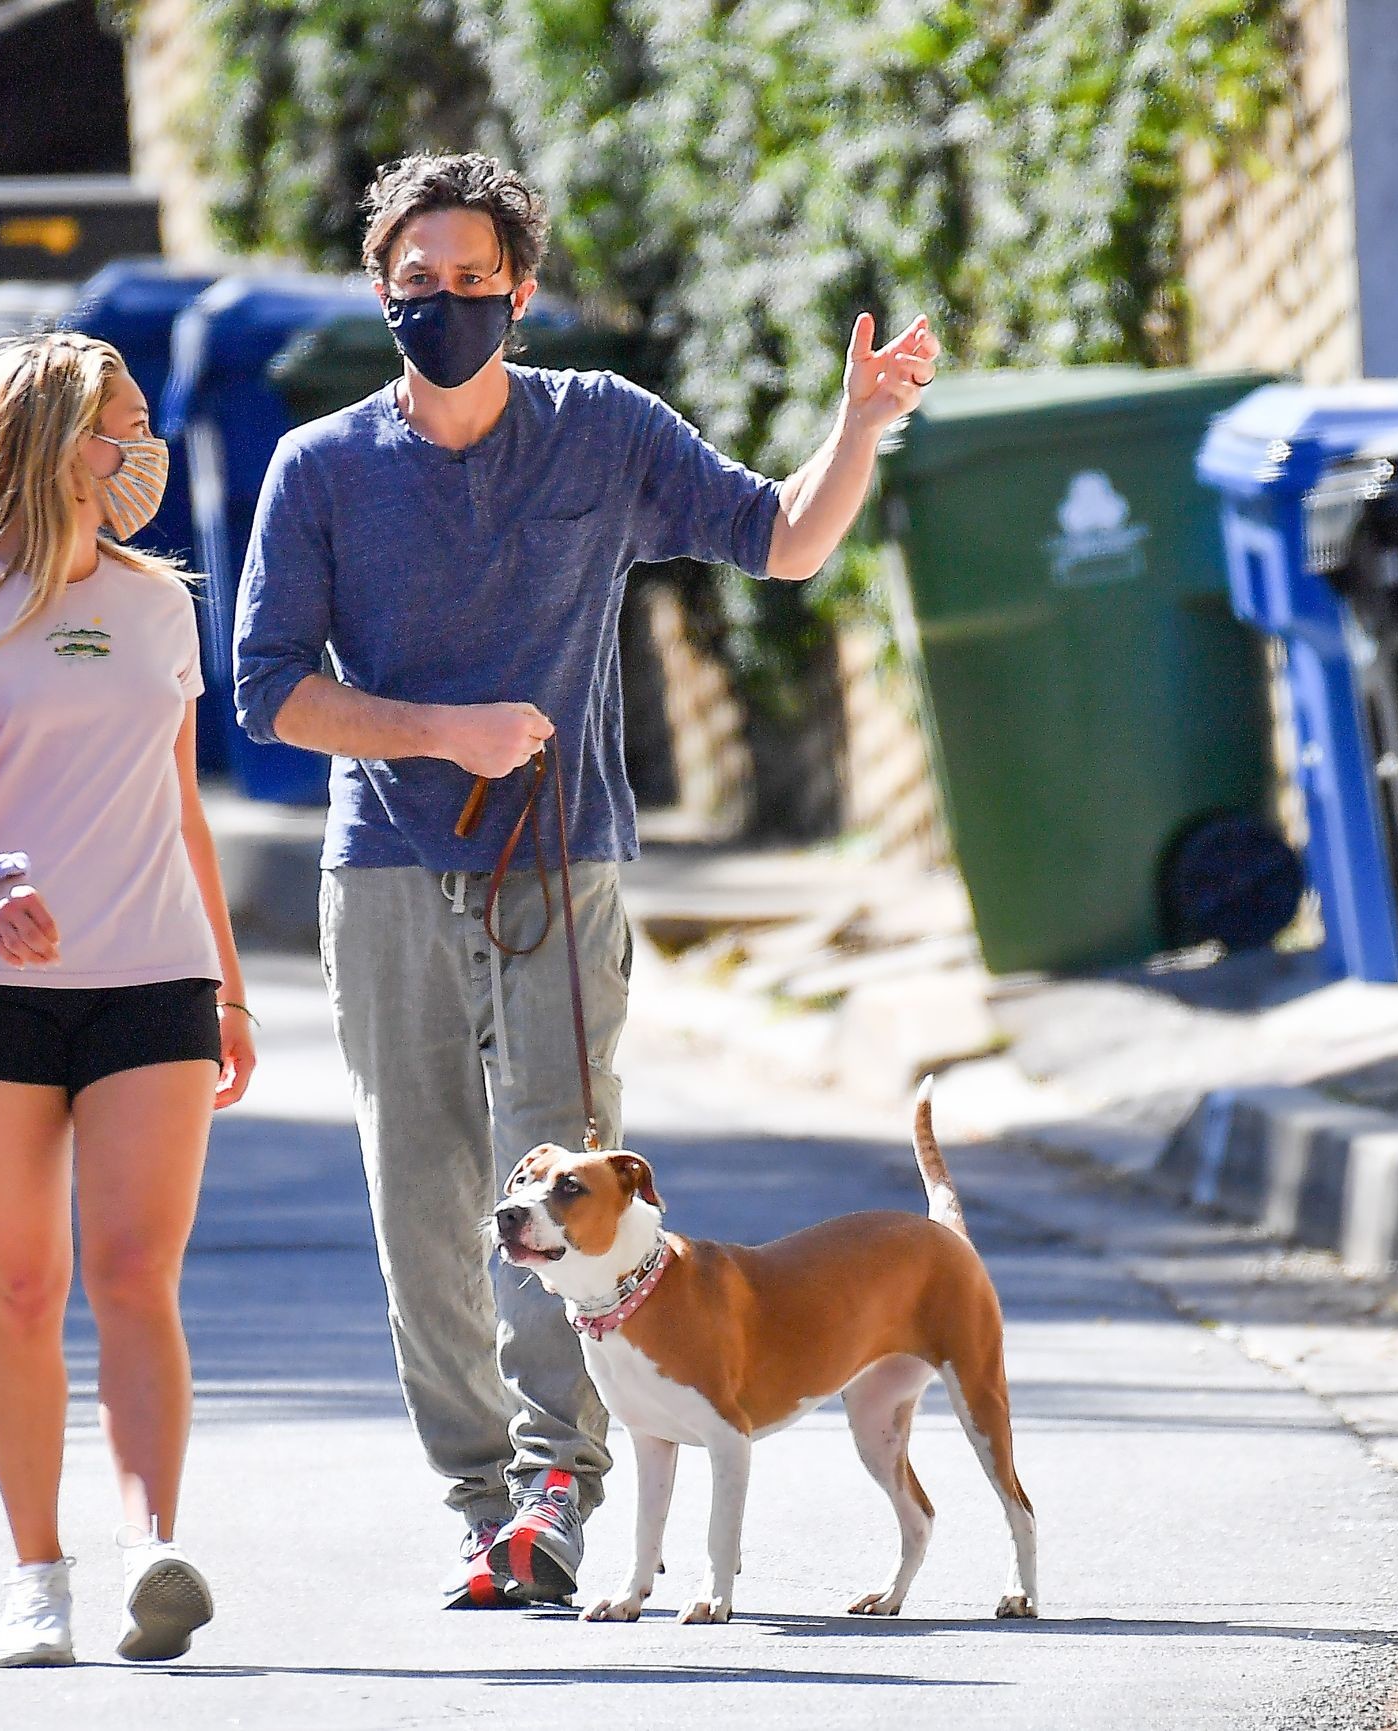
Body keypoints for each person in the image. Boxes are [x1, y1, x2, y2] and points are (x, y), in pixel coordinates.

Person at [234, 151, 939, 1608]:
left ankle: (561, 1483)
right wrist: (444, 732)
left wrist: (859, 426)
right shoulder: (322, 467)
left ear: (520, 292)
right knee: (423, 1205)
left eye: (470, 279)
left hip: (562, 865)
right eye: (415, 281)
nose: (441, 302)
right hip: (388, 875)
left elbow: (784, 539)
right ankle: (479, 1497)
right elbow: (266, 689)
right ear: (381, 292)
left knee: (570, 1195)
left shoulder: (602, 429)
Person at [0, 330, 256, 1668]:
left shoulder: (160, 602)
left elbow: (180, 802)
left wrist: (231, 989)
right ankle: (37, 1575)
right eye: (119, 425)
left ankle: (155, 1547)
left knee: (138, 1274)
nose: (140, 448)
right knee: (25, 1283)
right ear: (49, 443)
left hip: (156, 973)